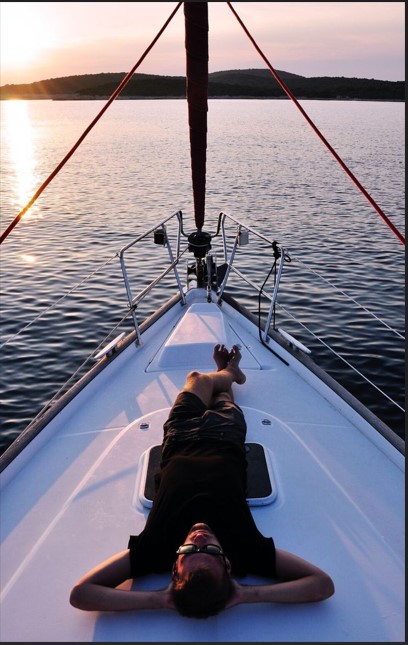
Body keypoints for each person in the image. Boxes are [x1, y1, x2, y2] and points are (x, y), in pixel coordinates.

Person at [70, 344, 334, 618]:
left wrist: (159, 600)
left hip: (180, 437)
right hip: (225, 435)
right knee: (223, 399)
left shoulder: (154, 551)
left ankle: (228, 372)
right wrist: (245, 594)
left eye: (187, 550)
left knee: (196, 378)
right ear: (228, 565)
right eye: (210, 549)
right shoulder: (246, 550)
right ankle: (229, 373)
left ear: (174, 567)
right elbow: (322, 585)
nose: (199, 537)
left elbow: (81, 593)